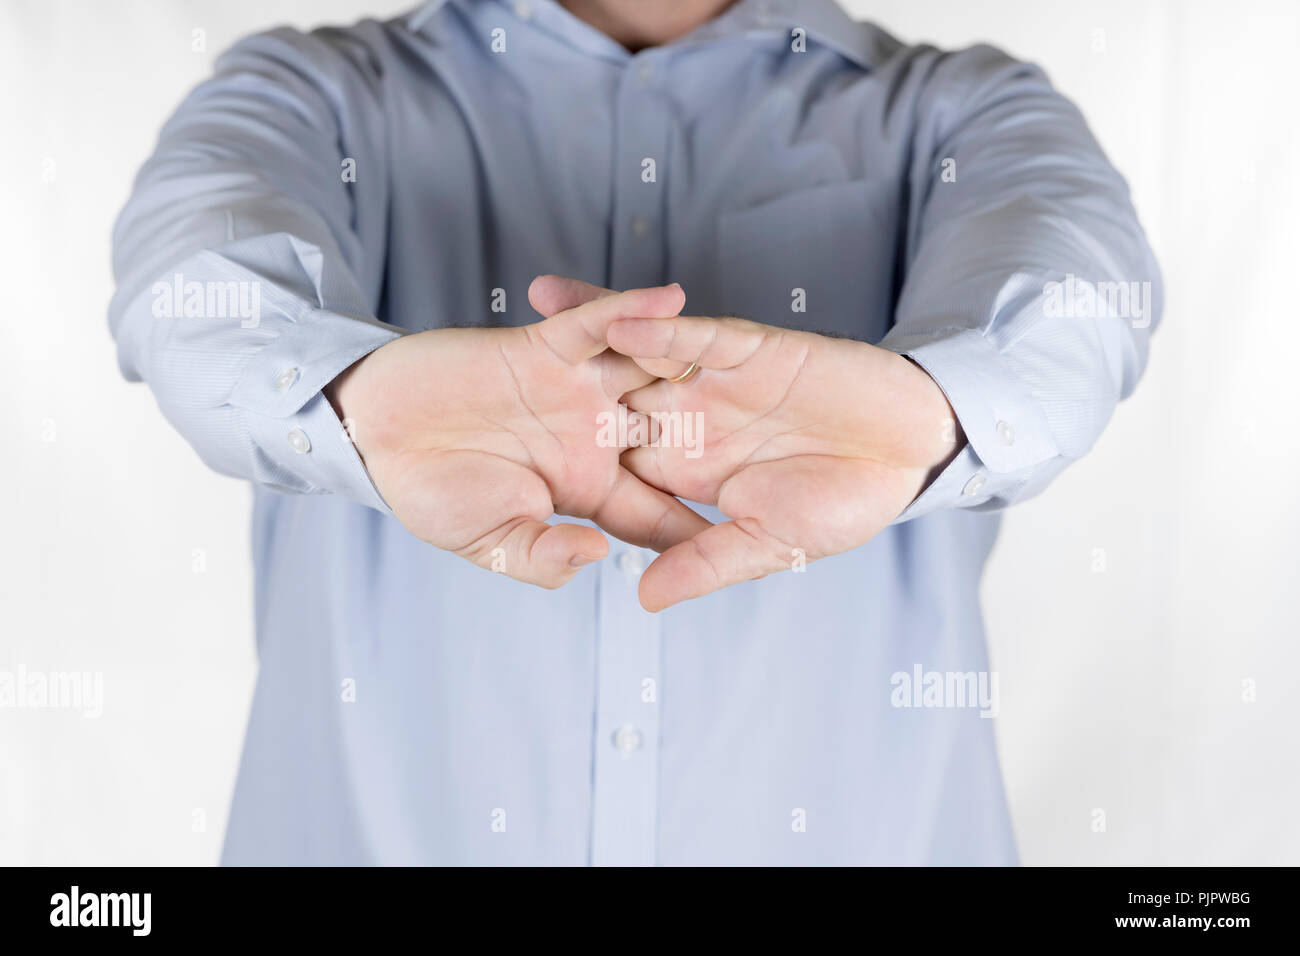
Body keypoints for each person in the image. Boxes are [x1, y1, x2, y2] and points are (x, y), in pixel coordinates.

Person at [109, 0, 1161, 865]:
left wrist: (932, 408)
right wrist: (355, 396)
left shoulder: (969, 111)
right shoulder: (309, 94)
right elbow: (191, 278)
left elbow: (1077, 288)